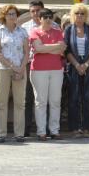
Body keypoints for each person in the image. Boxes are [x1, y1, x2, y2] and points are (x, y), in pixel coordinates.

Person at [0, 4, 29, 143]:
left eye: (14, 14)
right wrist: (13, 67)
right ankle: (1, 133)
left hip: (20, 68)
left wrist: (21, 68)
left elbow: (27, 52)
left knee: (20, 102)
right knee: (1, 102)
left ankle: (19, 133)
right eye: (9, 14)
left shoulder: (23, 32)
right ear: (4, 16)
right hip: (3, 69)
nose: (12, 16)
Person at [29, 9, 66, 140]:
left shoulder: (58, 31)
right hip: (39, 70)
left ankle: (55, 131)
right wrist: (54, 48)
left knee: (55, 100)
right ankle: (41, 132)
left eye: (50, 17)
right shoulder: (34, 31)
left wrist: (46, 48)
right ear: (39, 19)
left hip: (56, 69)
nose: (48, 19)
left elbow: (62, 49)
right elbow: (38, 48)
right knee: (41, 101)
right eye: (45, 17)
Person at [65, 3, 89, 138]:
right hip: (74, 67)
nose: (79, 16)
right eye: (77, 13)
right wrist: (76, 65)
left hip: (88, 66)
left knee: (86, 97)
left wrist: (85, 65)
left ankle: (86, 128)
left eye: (82, 13)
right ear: (73, 15)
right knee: (73, 98)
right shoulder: (69, 29)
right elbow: (66, 50)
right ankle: (74, 128)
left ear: (86, 16)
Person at [20, 0, 45, 136]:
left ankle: (43, 128)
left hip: (46, 65)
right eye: (33, 11)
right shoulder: (24, 27)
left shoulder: (50, 24)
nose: (35, 13)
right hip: (30, 64)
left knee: (43, 97)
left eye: (38, 10)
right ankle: (26, 128)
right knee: (28, 97)